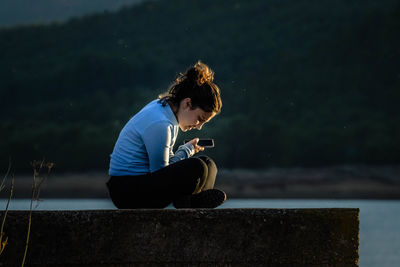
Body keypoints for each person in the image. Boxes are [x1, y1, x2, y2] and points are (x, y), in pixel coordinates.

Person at [106, 61, 227, 209]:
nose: (199, 126)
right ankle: (190, 202)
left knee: (208, 164)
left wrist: (186, 150)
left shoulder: (166, 109)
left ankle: (193, 203)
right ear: (187, 103)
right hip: (126, 191)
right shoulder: (160, 123)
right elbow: (161, 172)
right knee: (198, 167)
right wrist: (186, 151)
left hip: (141, 183)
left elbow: (164, 172)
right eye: (200, 119)